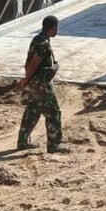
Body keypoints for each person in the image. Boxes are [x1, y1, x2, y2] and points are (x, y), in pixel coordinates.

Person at [18, 15, 67, 154]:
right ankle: (54, 145)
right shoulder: (43, 43)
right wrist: (26, 79)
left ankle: (22, 141)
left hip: (35, 82)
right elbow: (34, 63)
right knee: (53, 112)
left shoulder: (37, 39)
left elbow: (28, 61)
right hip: (41, 83)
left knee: (32, 111)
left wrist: (27, 79)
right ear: (53, 28)